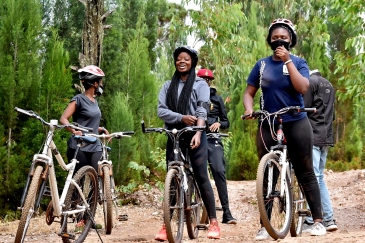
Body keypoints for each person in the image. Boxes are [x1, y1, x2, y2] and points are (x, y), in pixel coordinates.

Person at [242, 18, 326, 240]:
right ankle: (265, 225)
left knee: (306, 170)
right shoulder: (261, 65)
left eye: (284, 38)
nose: (279, 40)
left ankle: (318, 221)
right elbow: (249, 92)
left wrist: (288, 61)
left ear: (291, 41)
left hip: (296, 119)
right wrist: (249, 109)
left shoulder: (299, 62)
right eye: (275, 37)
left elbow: (303, 86)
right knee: (266, 172)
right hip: (268, 122)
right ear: (269, 40)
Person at [154, 46, 220, 241]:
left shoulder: (201, 85)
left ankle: (214, 222)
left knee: (201, 176)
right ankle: (167, 225)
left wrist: (199, 133)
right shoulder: (167, 86)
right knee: (172, 180)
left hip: (195, 134)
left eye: (186, 59)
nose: (182, 61)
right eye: (178, 59)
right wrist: (181, 117)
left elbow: (202, 111)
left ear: (193, 62)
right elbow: (161, 111)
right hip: (174, 134)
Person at [196, 68, 237, 224]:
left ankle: (226, 212)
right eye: (202, 80)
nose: (205, 83)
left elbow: (226, 122)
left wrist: (219, 123)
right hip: (197, 138)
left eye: (208, 81)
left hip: (213, 139)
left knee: (219, 171)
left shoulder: (217, 99)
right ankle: (187, 209)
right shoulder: (192, 96)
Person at [302, 69, 338, 232]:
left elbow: (303, 109)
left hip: (313, 135)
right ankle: (328, 218)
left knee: (313, 177)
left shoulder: (310, 83)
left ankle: (315, 219)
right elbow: (333, 115)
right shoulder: (329, 84)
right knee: (319, 177)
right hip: (326, 136)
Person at [60, 65, 109, 174]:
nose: (101, 85)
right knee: (78, 182)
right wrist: (73, 130)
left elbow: (89, 122)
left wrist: (101, 129)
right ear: (95, 84)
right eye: (100, 82)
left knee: (96, 177)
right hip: (79, 144)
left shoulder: (95, 102)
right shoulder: (78, 99)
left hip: (95, 144)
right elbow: (63, 119)